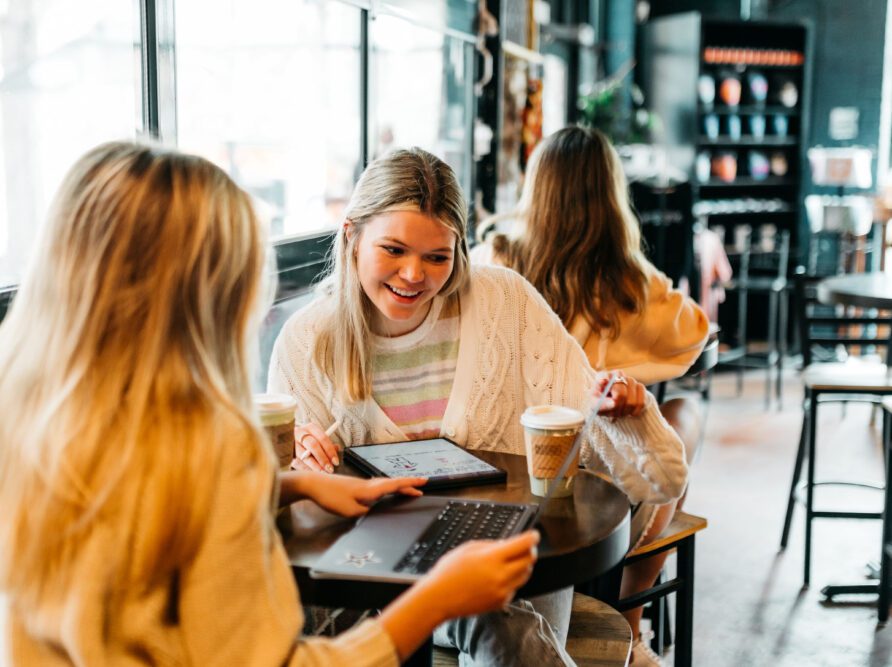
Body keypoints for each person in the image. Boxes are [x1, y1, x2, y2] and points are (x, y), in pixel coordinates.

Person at [0, 141, 540, 666]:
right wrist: (436, 598)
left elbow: (135, 522)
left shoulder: (28, 411)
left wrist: (288, 485)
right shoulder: (213, 441)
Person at [268, 147, 689, 666]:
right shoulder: (307, 340)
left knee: (501, 620)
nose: (413, 275)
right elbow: (283, 513)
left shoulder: (504, 303)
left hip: (504, 575)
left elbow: (659, 482)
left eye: (437, 257)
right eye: (393, 250)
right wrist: (301, 466)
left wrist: (624, 415)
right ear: (352, 235)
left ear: (460, 251)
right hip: (368, 584)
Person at [474, 125, 709, 666]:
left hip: (519, 465)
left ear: (537, 188)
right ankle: (632, 617)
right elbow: (695, 330)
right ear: (611, 194)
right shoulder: (629, 280)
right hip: (606, 482)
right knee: (682, 418)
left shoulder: (498, 256)